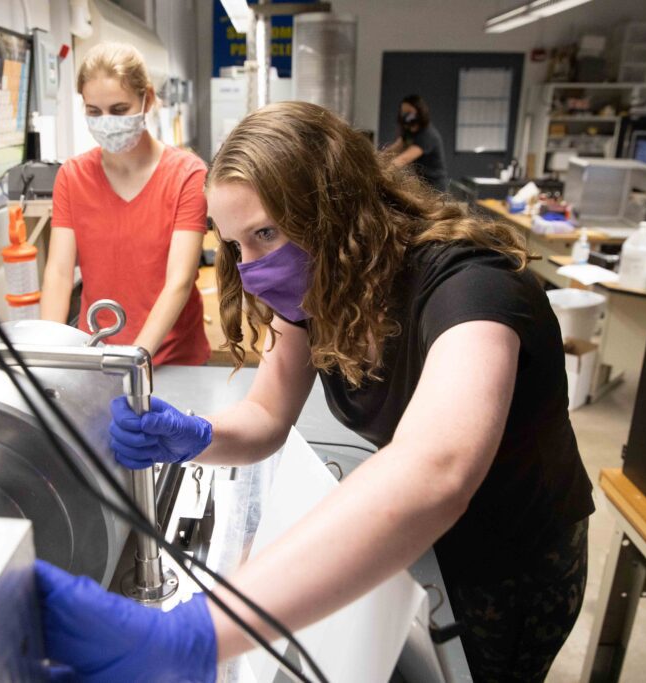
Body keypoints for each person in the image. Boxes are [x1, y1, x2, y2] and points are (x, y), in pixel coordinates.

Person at [34, 101, 594, 683]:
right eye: (234, 245)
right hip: (419, 542)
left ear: (334, 209)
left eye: (265, 233)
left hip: (509, 560)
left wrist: (197, 634)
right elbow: (267, 417)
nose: (250, 269)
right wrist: (195, 435)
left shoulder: (472, 289)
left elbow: (437, 471)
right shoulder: (320, 286)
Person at [40, 43, 210, 365]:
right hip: (99, 353)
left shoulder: (186, 175)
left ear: (146, 98)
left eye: (119, 110)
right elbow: (59, 273)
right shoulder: (72, 176)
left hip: (173, 358)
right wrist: (47, 355)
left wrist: (133, 361)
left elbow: (179, 281)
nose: (106, 121)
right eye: (94, 112)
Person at [384, 94, 449, 192]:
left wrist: (382, 173)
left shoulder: (427, 134)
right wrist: (377, 159)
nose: (405, 115)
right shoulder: (409, 132)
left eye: (409, 112)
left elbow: (403, 159)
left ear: (419, 113)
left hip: (435, 187)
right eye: (403, 112)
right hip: (421, 183)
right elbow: (393, 149)